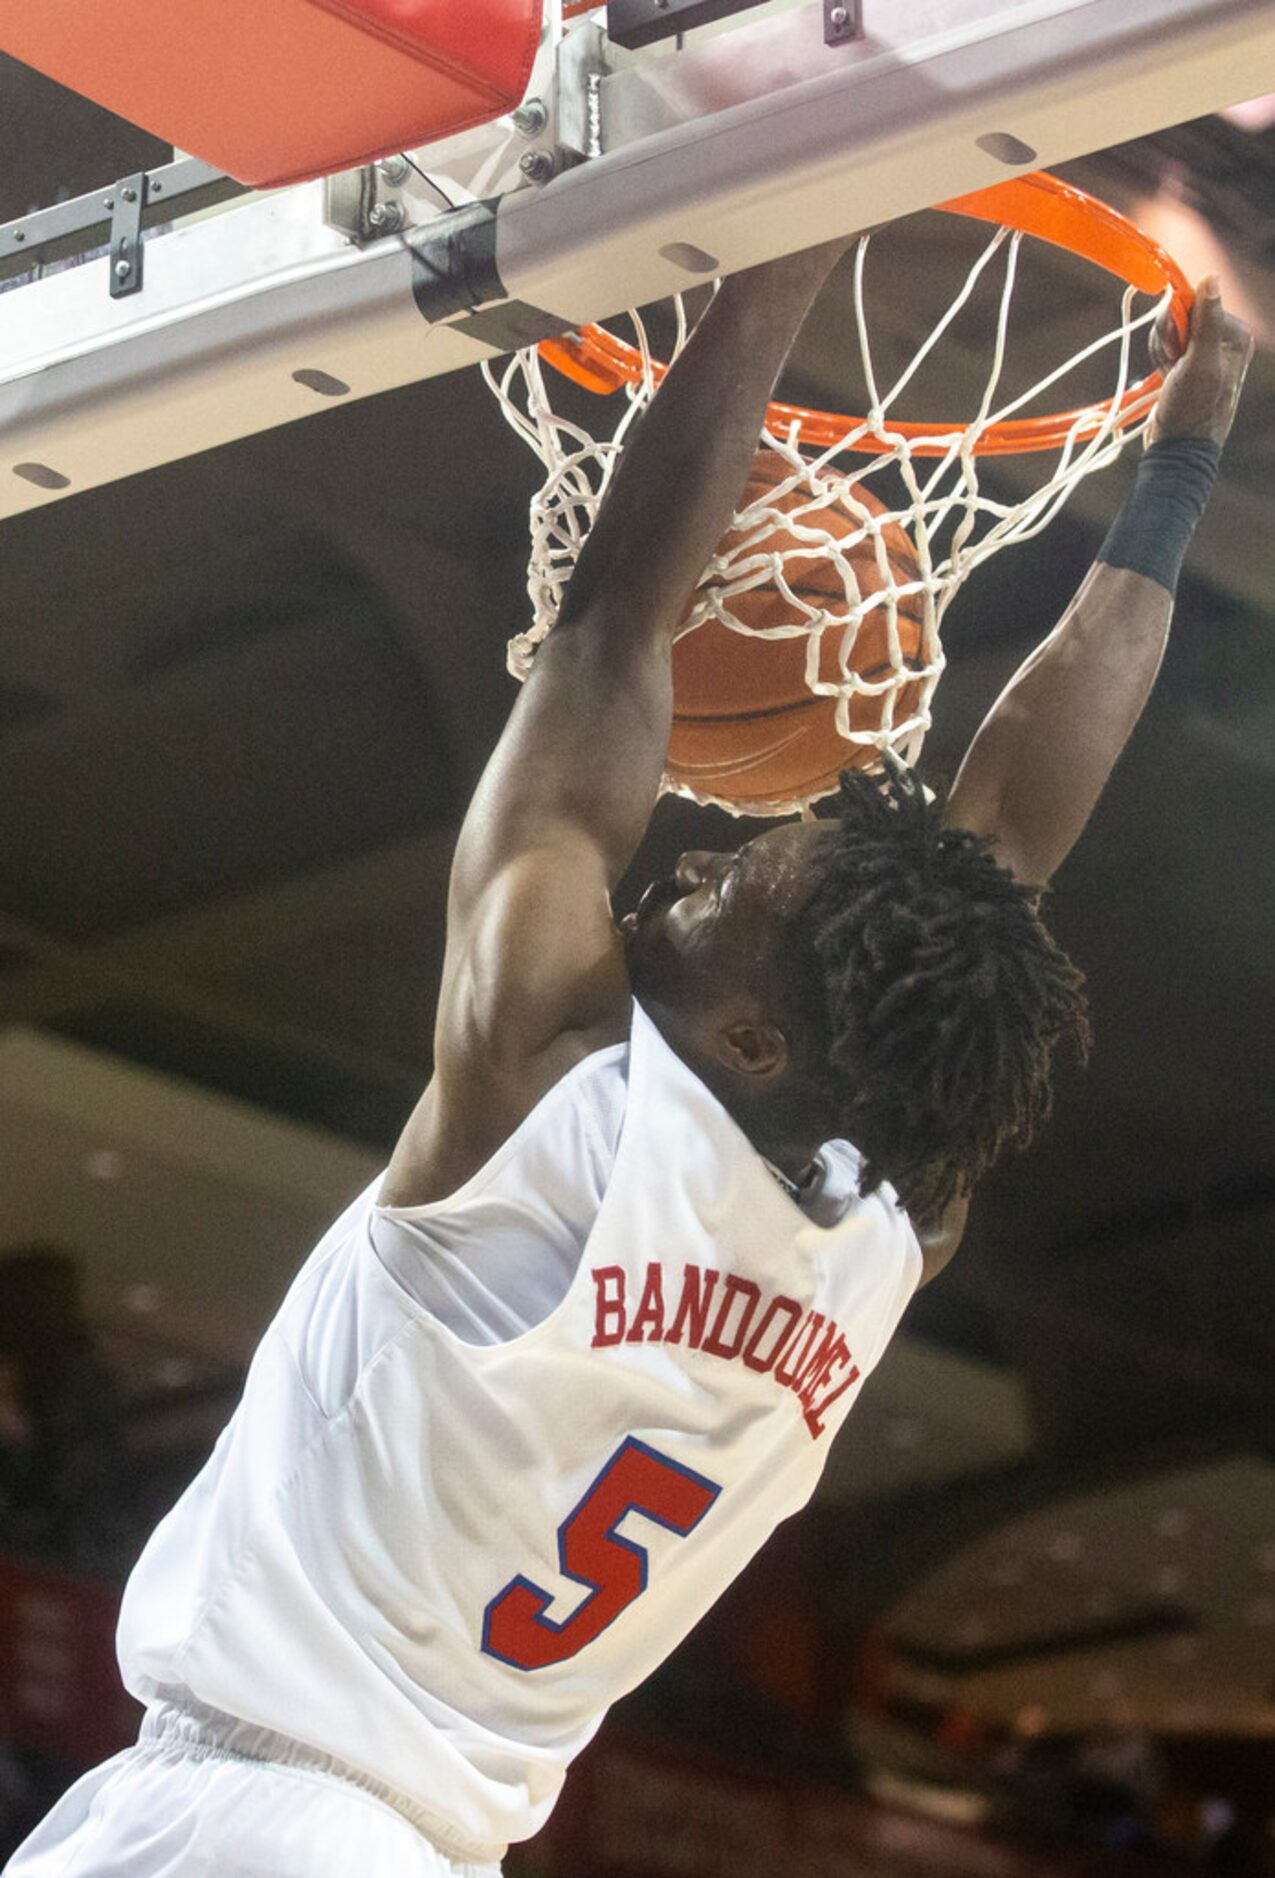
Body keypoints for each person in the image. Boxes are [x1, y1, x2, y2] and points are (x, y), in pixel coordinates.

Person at [3, 240, 1251, 1878]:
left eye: (734, 886)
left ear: (754, 1031)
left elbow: (611, 633)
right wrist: (1191, 442)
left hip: (252, 1815)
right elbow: (1008, 836)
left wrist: (788, 239)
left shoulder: (555, 1082)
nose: (691, 865)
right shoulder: (881, 1236)